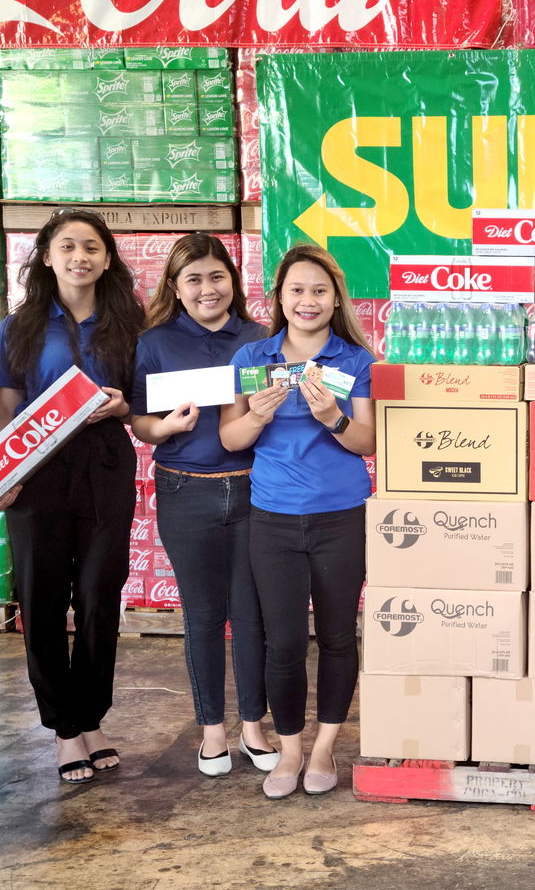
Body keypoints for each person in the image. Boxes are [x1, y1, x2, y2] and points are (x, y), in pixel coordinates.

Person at [0, 209, 142, 783]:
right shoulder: (19, 327)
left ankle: (93, 716)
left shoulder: (128, 323)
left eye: (93, 247)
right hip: (36, 466)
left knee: (101, 591)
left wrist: (122, 407)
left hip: (104, 460)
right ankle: (64, 729)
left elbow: (141, 404)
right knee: (41, 595)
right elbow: (4, 410)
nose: (81, 257)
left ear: (107, 258)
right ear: (47, 256)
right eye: (68, 246)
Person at [219, 244, 375, 799]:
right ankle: (289, 749)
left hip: (341, 515)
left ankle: (326, 747)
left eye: (319, 291)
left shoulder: (355, 361)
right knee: (282, 642)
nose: (307, 300)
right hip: (274, 518)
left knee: (336, 636)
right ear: (279, 299)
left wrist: (330, 415)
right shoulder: (251, 360)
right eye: (296, 290)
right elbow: (229, 439)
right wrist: (257, 417)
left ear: (335, 300)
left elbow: (368, 440)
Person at [130, 234, 274, 778]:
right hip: (184, 490)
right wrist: (162, 427)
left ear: (233, 283)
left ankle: (253, 726)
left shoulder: (261, 338)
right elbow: (140, 419)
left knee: (250, 613)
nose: (208, 289)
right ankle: (212, 730)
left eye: (217, 277)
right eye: (194, 279)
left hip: (254, 489)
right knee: (203, 615)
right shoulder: (155, 343)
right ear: (176, 288)